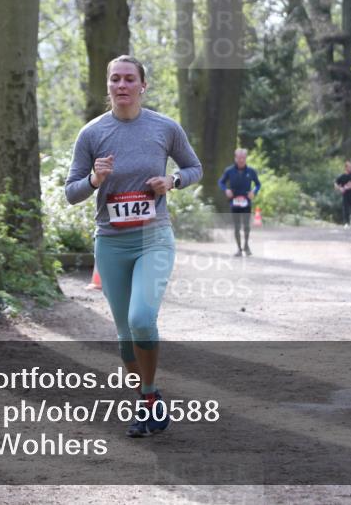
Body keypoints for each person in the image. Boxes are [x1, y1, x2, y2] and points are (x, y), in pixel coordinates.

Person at [65, 55, 202, 438]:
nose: (121, 85)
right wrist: (94, 179)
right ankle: (149, 397)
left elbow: (195, 168)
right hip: (111, 242)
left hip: (153, 237)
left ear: (143, 85)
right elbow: (70, 191)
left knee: (142, 318)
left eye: (129, 79)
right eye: (114, 80)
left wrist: (172, 182)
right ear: (107, 87)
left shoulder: (164, 127)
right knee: (125, 335)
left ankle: (148, 398)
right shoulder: (92, 134)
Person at [218, 148, 262, 256]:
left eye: (243, 158)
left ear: (245, 158)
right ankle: (239, 249)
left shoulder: (251, 171)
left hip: (246, 201)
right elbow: (221, 182)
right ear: (235, 158)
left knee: (246, 226)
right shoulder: (229, 170)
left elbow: (258, 184)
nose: (241, 160)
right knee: (237, 226)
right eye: (239, 158)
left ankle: (246, 246)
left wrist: (254, 192)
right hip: (234, 202)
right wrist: (226, 190)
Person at [334, 161, 351, 227]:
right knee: (345, 208)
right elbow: (336, 184)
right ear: (346, 168)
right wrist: (340, 189)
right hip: (345, 195)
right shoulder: (342, 176)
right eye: (349, 167)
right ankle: (346, 223)